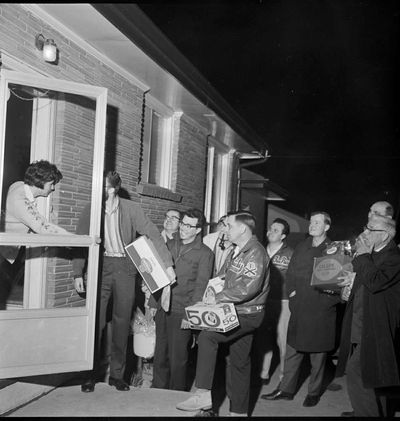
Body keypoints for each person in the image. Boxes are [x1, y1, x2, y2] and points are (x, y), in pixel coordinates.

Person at [73, 171, 175, 393]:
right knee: (96, 323)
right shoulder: (91, 208)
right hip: (102, 267)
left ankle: (117, 376)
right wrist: (77, 272)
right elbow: (82, 241)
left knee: (121, 321)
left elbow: (153, 235)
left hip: (126, 268)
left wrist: (167, 264)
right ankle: (90, 374)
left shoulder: (131, 209)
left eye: (102, 187)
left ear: (112, 190)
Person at [176, 211, 270, 416]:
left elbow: (249, 288)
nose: (223, 229)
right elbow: (223, 277)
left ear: (242, 229)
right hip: (237, 310)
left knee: (207, 336)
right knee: (240, 362)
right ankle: (239, 411)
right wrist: (210, 292)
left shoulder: (256, 252)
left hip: (247, 313)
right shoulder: (237, 250)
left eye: (228, 225)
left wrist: (218, 298)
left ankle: (202, 394)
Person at [261, 211, 341, 407]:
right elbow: (291, 275)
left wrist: (325, 303)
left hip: (321, 309)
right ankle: (285, 389)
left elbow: (338, 282)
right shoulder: (301, 247)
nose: (312, 225)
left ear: (327, 227)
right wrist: (293, 296)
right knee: (292, 350)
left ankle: (313, 392)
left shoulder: (333, 249)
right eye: (311, 222)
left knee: (318, 355)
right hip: (299, 306)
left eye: (317, 222)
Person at [336, 216, 400, 417]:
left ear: (384, 236)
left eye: (370, 230)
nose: (365, 233)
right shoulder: (373, 254)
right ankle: (372, 411)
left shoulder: (393, 258)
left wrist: (362, 256)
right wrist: (351, 282)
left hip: (376, 326)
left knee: (356, 371)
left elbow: (375, 281)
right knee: (373, 376)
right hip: (360, 322)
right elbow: (365, 279)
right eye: (366, 228)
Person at [152, 208, 214, 391]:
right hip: (163, 306)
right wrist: (152, 304)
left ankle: (175, 394)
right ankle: (157, 391)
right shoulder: (169, 244)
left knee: (178, 358)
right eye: (183, 223)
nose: (184, 228)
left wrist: (191, 315)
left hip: (182, 310)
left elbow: (201, 287)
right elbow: (157, 275)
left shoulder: (204, 253)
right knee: (159, 354)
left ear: (198, 230)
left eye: (189, 225)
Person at [0, 160, 69, 309]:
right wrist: (71, 238)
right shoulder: (19, 198)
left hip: (7, 255)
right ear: (42, 181)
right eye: (52, 184)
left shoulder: (17, 186)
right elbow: (41, 226)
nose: (53, 188)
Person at [259, 218, 293, 386]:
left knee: (282, 339)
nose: (271, 232)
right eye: (270, 229)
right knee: (264, 338)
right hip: (262, 300)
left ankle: (283, 376)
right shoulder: (259, 251)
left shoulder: (290, 253)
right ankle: (263, 373)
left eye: (276, 230)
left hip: (283, 301)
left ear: (283, 236)